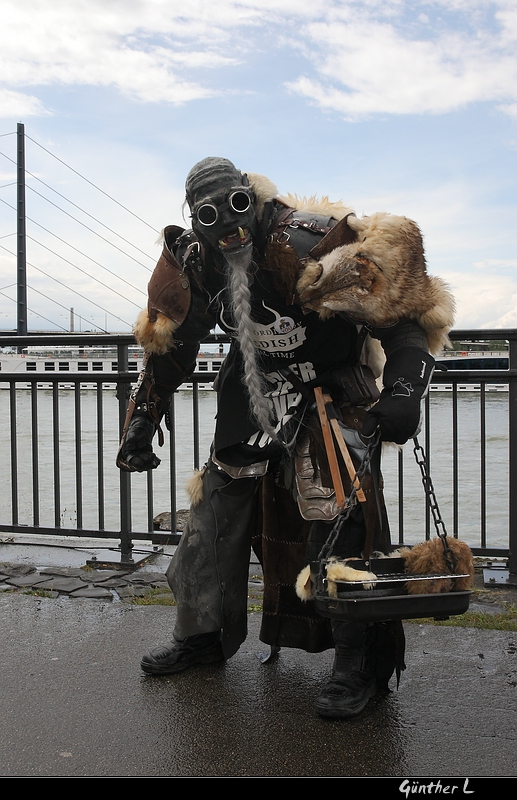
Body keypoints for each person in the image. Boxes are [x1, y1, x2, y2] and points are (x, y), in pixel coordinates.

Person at [116, 157, 434, 719]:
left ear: (252, 198)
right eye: (212, 216)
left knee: (339, 523)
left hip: (328, 394)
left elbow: (401, 320)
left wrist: (404, 392)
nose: (231, 227)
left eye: (238, 207)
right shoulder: (194, 260)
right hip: (252, 395)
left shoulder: (308, 240)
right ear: (195, 219)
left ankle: (357, 665)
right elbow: (171, 345)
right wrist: (143, 416)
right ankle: (201, 637)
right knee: (213, 518)